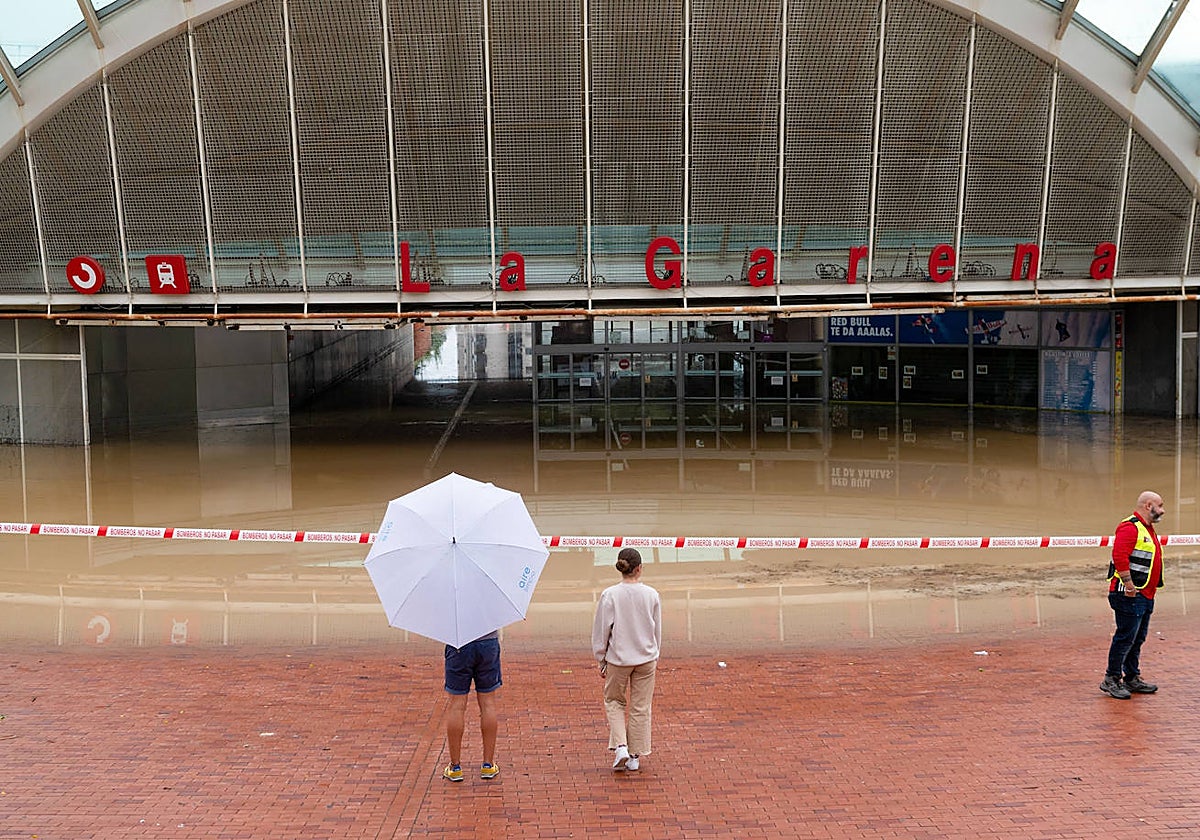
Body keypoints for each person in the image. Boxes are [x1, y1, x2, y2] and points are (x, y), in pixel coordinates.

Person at [592, 547, 662, 772]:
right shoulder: (651, 594)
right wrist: (655, 652)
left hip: (619, 659)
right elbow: (656, 629)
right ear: (639, 569)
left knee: (614, 702)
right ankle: (634, 756)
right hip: (646, 657)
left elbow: (602, 629)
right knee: (641, 707)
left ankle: (620, 745)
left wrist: (601, 657)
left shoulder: (610, 594)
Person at [1100, 490, 1166, 700]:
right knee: (1125, 637)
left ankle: (1131, 677)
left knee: (1137, 638)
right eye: (1160, 505)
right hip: (1130, 594)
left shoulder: (1147, 529)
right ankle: (1111, 679)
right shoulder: (1130, 527)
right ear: (1148, 506)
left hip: (1145, 594)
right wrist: (1129, 585)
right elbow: (1119, 556)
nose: (1163, 510)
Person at [441, 630, 502, 781]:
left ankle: (455, 766)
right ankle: (488, 764)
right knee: (488, 703)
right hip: (488, 642)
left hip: (458, 644)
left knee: (457, 705)